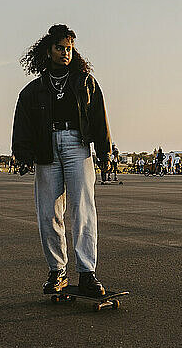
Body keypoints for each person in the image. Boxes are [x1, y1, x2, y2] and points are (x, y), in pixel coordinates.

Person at [12, 24, 111, 297]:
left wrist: (105, 153)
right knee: (48, 212)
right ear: (48, 50)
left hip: (77, 144)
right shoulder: (33, 90)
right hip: (46, 147)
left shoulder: (85, 82)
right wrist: (22, 155)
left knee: (83, 209)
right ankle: (57, 271)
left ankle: (87, 272)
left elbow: (100, 119)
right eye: (60, 48)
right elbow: (23, 124)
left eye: (69, 48)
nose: (65, 53)